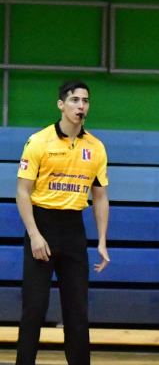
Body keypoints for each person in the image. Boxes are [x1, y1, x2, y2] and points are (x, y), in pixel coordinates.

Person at [15, 80, 110, 365]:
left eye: (85, 101)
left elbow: (101, 196)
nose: (81, 105)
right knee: (34, 308)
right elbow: (22, 191)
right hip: (42, 225)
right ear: (61, 104)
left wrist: (102, 240)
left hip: (73, 230)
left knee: (77, 311)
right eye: (74, 100)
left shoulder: (96, 147)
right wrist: (34, 234)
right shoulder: (38, 141)